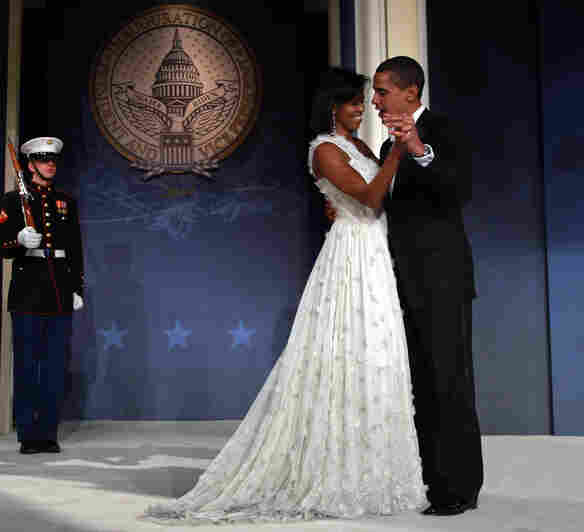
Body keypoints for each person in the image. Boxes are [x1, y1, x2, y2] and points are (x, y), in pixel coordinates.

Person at [144, 68, 426, 523]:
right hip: (350, 258)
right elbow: (371, 199)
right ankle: (328, 466)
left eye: (363, 100)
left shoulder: (358, 147)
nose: (362, 108)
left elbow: (376, 199)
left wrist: (388, 160)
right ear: (332, 106)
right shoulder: (326, 150)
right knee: (344, 353)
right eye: (354, 101)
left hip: (375, 253)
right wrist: (396, 152)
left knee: (376, 353)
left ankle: (373, 466)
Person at [370, 56, 483, 516]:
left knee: (448, 382)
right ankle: (433, 485)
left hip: (442, 281)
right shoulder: (385, 148)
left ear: (410, 93)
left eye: (382, 92)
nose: (375, 101)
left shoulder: (444, 130)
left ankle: (459, 491)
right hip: (401, 282)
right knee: (420, 386)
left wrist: (420, 149)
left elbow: (459, 191)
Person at [0, 136, 84, 454]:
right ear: (30, 164)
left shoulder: (65, 201)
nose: (51, 165)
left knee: (54, 366)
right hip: (28, 293)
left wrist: (77, 287)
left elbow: (75, 248)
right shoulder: (12, 200)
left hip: (59, 291)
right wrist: (18, 240)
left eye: (53, 160)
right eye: (44, 160)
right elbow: (1, 246)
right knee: (27, 365)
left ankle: (48, 432)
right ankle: (28, 434)